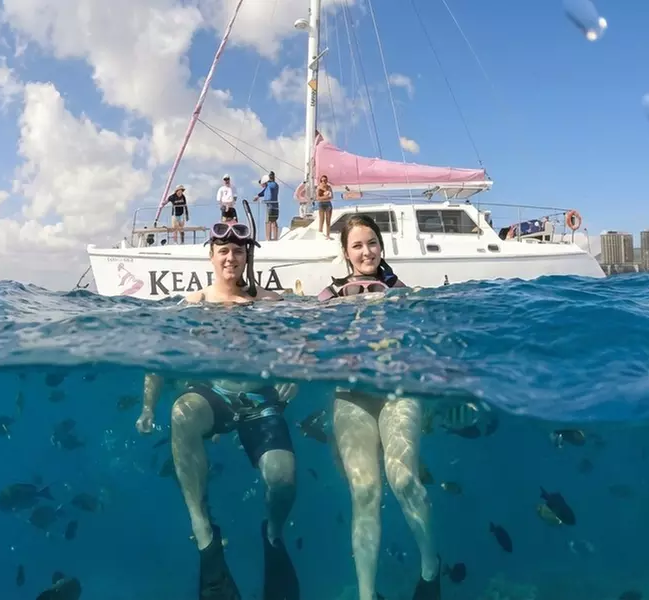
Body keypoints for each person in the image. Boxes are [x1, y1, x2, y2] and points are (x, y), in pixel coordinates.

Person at [136, 220, 300, 600]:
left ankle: (273, 534)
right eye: (223, 250)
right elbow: (155, 354)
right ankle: (206, 540)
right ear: (210, 255)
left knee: (282, 479)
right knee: (181, 412)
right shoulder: (191, 305)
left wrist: (297, 372)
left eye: (238, 251)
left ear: (247, 256)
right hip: (213, 396)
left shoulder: (269, 303)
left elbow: (303, 340)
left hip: (259, 403)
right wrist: (148, 406)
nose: (231, 257)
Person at [317, 214, 440, 600]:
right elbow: (308, 340)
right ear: (345, 253)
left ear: (382, 247)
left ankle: (430, 568)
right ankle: (366, 595)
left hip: (397, 391)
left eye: (372, 242)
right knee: (365, 490)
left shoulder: (406, 293)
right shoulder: (328, 298)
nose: (366, 251)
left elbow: (428, 339)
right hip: (352, 397)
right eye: (357, 245)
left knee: (403, 479)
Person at [256, 171, 280, 241]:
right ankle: (275, 238)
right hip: (275, 206)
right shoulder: (275, 185)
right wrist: (258, 195)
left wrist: (263, 200)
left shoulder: (269, 185)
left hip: (270, 205)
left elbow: (268, 195)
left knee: (268, 222)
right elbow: (264, 192)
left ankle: (268, 238)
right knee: (274, 221)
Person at [316, 174, 333, 240]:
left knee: (328, 221)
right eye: (322, 180)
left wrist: (322, 198)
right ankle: (320, 233)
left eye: (325, 180)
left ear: (327, 181)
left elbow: (331, 197)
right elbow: (318, 198)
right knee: (321, 219)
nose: (323, 182)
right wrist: (326, 197)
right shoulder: (318, 187)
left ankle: (328, 235)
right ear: (320, 181)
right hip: (321, 204)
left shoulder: (329, 187)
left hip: (328, 204)